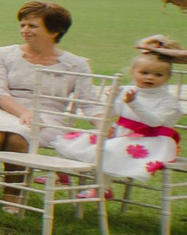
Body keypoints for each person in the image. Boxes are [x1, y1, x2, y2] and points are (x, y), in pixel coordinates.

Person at [0, 1, 92, 156]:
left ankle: (15, 181)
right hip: (2, 111)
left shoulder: (76, 65)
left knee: (17, 139)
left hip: (47, 118)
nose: (25, 30)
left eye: (32, 26)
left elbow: (90, 103)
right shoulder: (3, 55)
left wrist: (105, 127)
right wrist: (25, 113)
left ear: (54, 32)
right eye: (22, 25)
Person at [50, 46, 179, 177]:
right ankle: (62, 174)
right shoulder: (127, 90)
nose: (150, 78)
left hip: (150, 140)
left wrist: (133, 103)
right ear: (133, 72)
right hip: (121, 133)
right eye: (144, 73)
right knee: (78, 140)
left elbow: (154, 122)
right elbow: (112, 113)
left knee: (110, 149)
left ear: (167, 77)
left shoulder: (167, 101)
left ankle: (104, 187)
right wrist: (111, 99)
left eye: (158, 75)